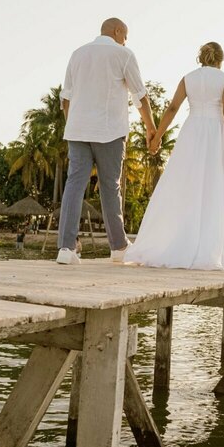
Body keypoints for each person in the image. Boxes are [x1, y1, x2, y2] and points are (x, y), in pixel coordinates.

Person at [124, 42, 224, 270]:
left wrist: (158, 136)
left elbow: (172, 108)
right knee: (213, 187)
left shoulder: (188, 78)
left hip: (193, 132)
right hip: (216, 133)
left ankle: (176, 241)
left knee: (186, 184)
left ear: (201, 58)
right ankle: (208, 249)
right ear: (221, 59)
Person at [57, 18, 157, 265]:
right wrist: (152, 128)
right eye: (126, 35)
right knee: (109, 186)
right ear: (118, 31)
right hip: (109, 131)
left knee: (73, 186)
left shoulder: (77, 54)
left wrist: (74, 124)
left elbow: (65, 98)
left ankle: (66, 249)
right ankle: (119, 247)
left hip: (77, 131)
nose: (126, 40)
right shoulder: (123, 54)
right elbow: (140, 96)